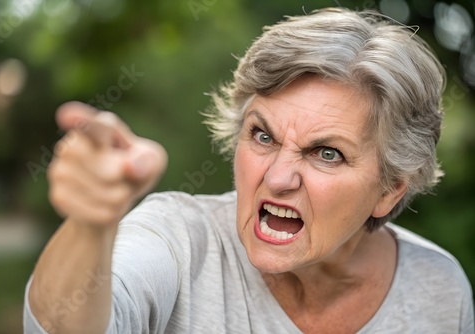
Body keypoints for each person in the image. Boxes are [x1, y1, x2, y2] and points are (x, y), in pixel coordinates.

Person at [24, 7, 474, 334]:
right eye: (263, 136)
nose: (278, 178)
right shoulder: (178, 240)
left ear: (390, 190)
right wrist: (90, 225)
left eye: (327, 153)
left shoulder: (438, 287)